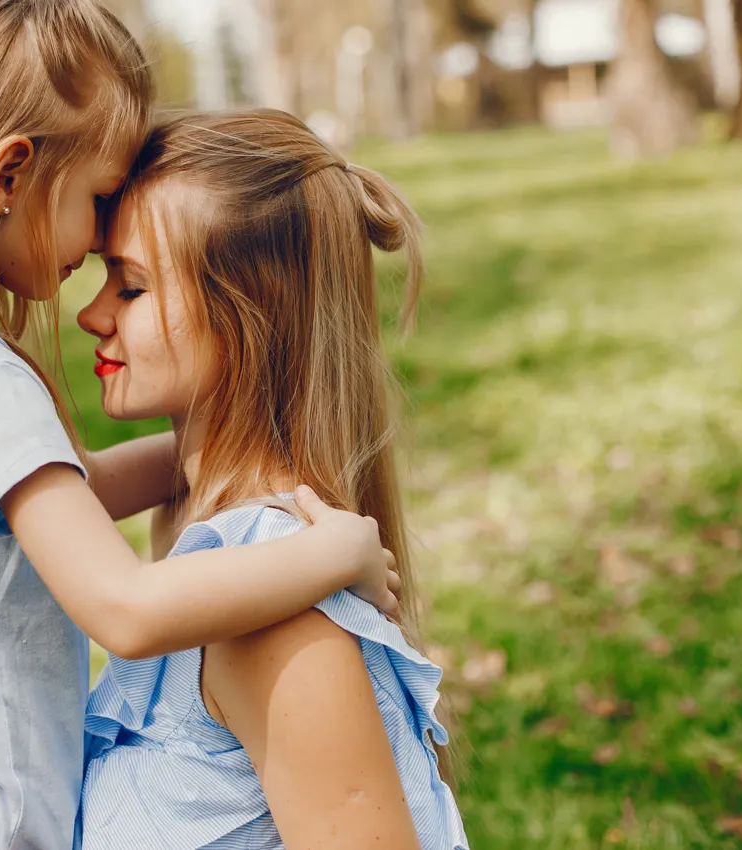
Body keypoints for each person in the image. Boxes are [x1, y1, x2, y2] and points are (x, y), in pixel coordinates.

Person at [0, 5, 401, 849]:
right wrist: (334, 552)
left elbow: (76, 491)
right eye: (96, 198)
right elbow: (125, 610)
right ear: (9, 176)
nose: (91, 245)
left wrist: (220, 451)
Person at [77, 109, 468, 849]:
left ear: (247, 317)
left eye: (130, 287)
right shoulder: (207, 529)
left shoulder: (273, 611)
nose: (91, 315)